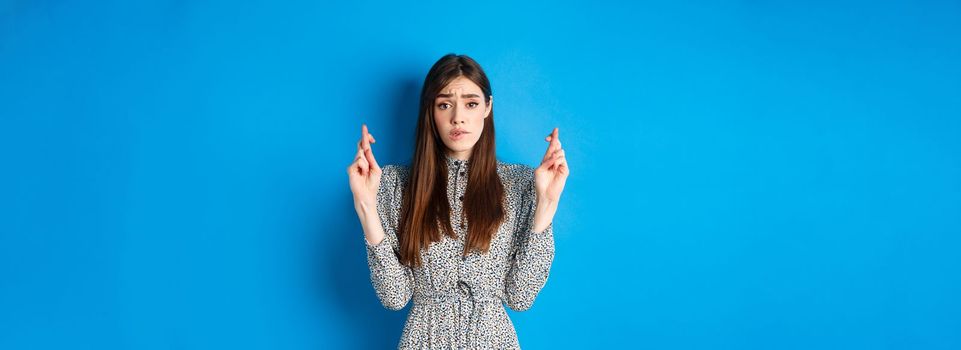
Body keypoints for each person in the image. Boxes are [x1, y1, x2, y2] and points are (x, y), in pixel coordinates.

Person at [346, 53, 569, 349]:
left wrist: (547, 203)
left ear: (488, 107)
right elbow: (394, 297)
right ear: (431, 110)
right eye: (444, 104)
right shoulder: (394, 184)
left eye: (471, 103)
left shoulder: (521, 184)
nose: (458, 117)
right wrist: (365, 206)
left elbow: (520, 296)